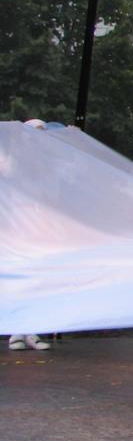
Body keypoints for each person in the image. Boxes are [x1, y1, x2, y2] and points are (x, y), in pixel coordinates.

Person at [9, 119, 54, 352]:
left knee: (37, 279)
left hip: (37, 228)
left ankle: (29, 330)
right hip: (15, 228)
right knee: (18, 278)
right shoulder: (13, 160)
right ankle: (17, 331)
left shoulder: (46, 166)